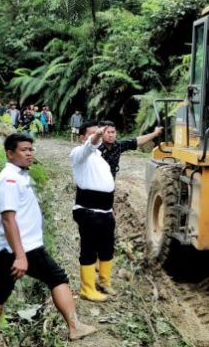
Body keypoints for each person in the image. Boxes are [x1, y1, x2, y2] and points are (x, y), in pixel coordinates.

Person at [0, 134, 97, 346]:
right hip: (22, 248)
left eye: (31, 149)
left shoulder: (19, 175)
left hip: (8, 247)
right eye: (24, 150)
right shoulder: (9, 179)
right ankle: (75, 327)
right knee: (57, 278)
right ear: (10, 153)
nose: (29, 153)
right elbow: (8, 220)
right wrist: (20, 256)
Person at [70, 122, 117, 302]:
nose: (97, 136)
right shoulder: (79, 154)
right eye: (91, 134)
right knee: (89, 250)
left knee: (107, 248)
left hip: (104, 210)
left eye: (99, 133)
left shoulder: (99, 157)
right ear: (82, 137)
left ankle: (104, 281)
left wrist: (109, 208)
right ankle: (87, 289)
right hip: (89, 211)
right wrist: (96, 135)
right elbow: (90, 145)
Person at [98, 120, 163, 178]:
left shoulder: (117, 146)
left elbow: (136, 141)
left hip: (110, 184)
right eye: (108, 132)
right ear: (101, 134)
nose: (111, 135)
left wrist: (155, 133)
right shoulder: (95, 149)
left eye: (113, 132)